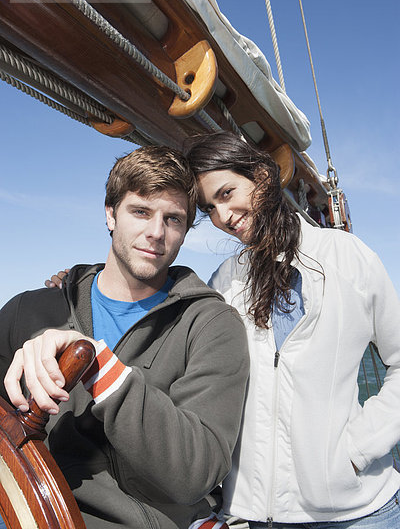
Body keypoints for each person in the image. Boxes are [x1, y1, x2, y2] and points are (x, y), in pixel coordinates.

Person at [0, 145, 249, 529]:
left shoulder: (211, 325)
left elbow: (197, 471)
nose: (156, 232)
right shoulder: (27, 312)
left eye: (174, 219)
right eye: (140, 212)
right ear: (110, 214)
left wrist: (101, 370)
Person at [184, 132, 400, 528]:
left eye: (228, 193)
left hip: (362, 512)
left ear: (262, 178)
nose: (223, 216)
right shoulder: (227, 279)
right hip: (265, 518)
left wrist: (358, 449)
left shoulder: (347, 257)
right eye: (210, 207)